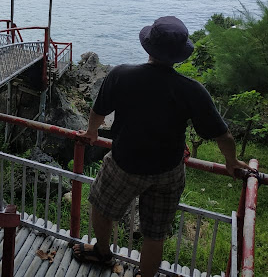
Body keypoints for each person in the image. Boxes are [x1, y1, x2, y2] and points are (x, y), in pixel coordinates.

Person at [71, 16, 250, 276]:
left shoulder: (122, 74)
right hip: (169, 171)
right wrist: (231, 162)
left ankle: (102, 253)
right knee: (154, 233)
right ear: (179, 55)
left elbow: (98, 111)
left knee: (102, 206)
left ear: (148, 47)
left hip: (124, 164)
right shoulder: (192, 90)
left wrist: (91, 132)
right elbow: (223, 136)